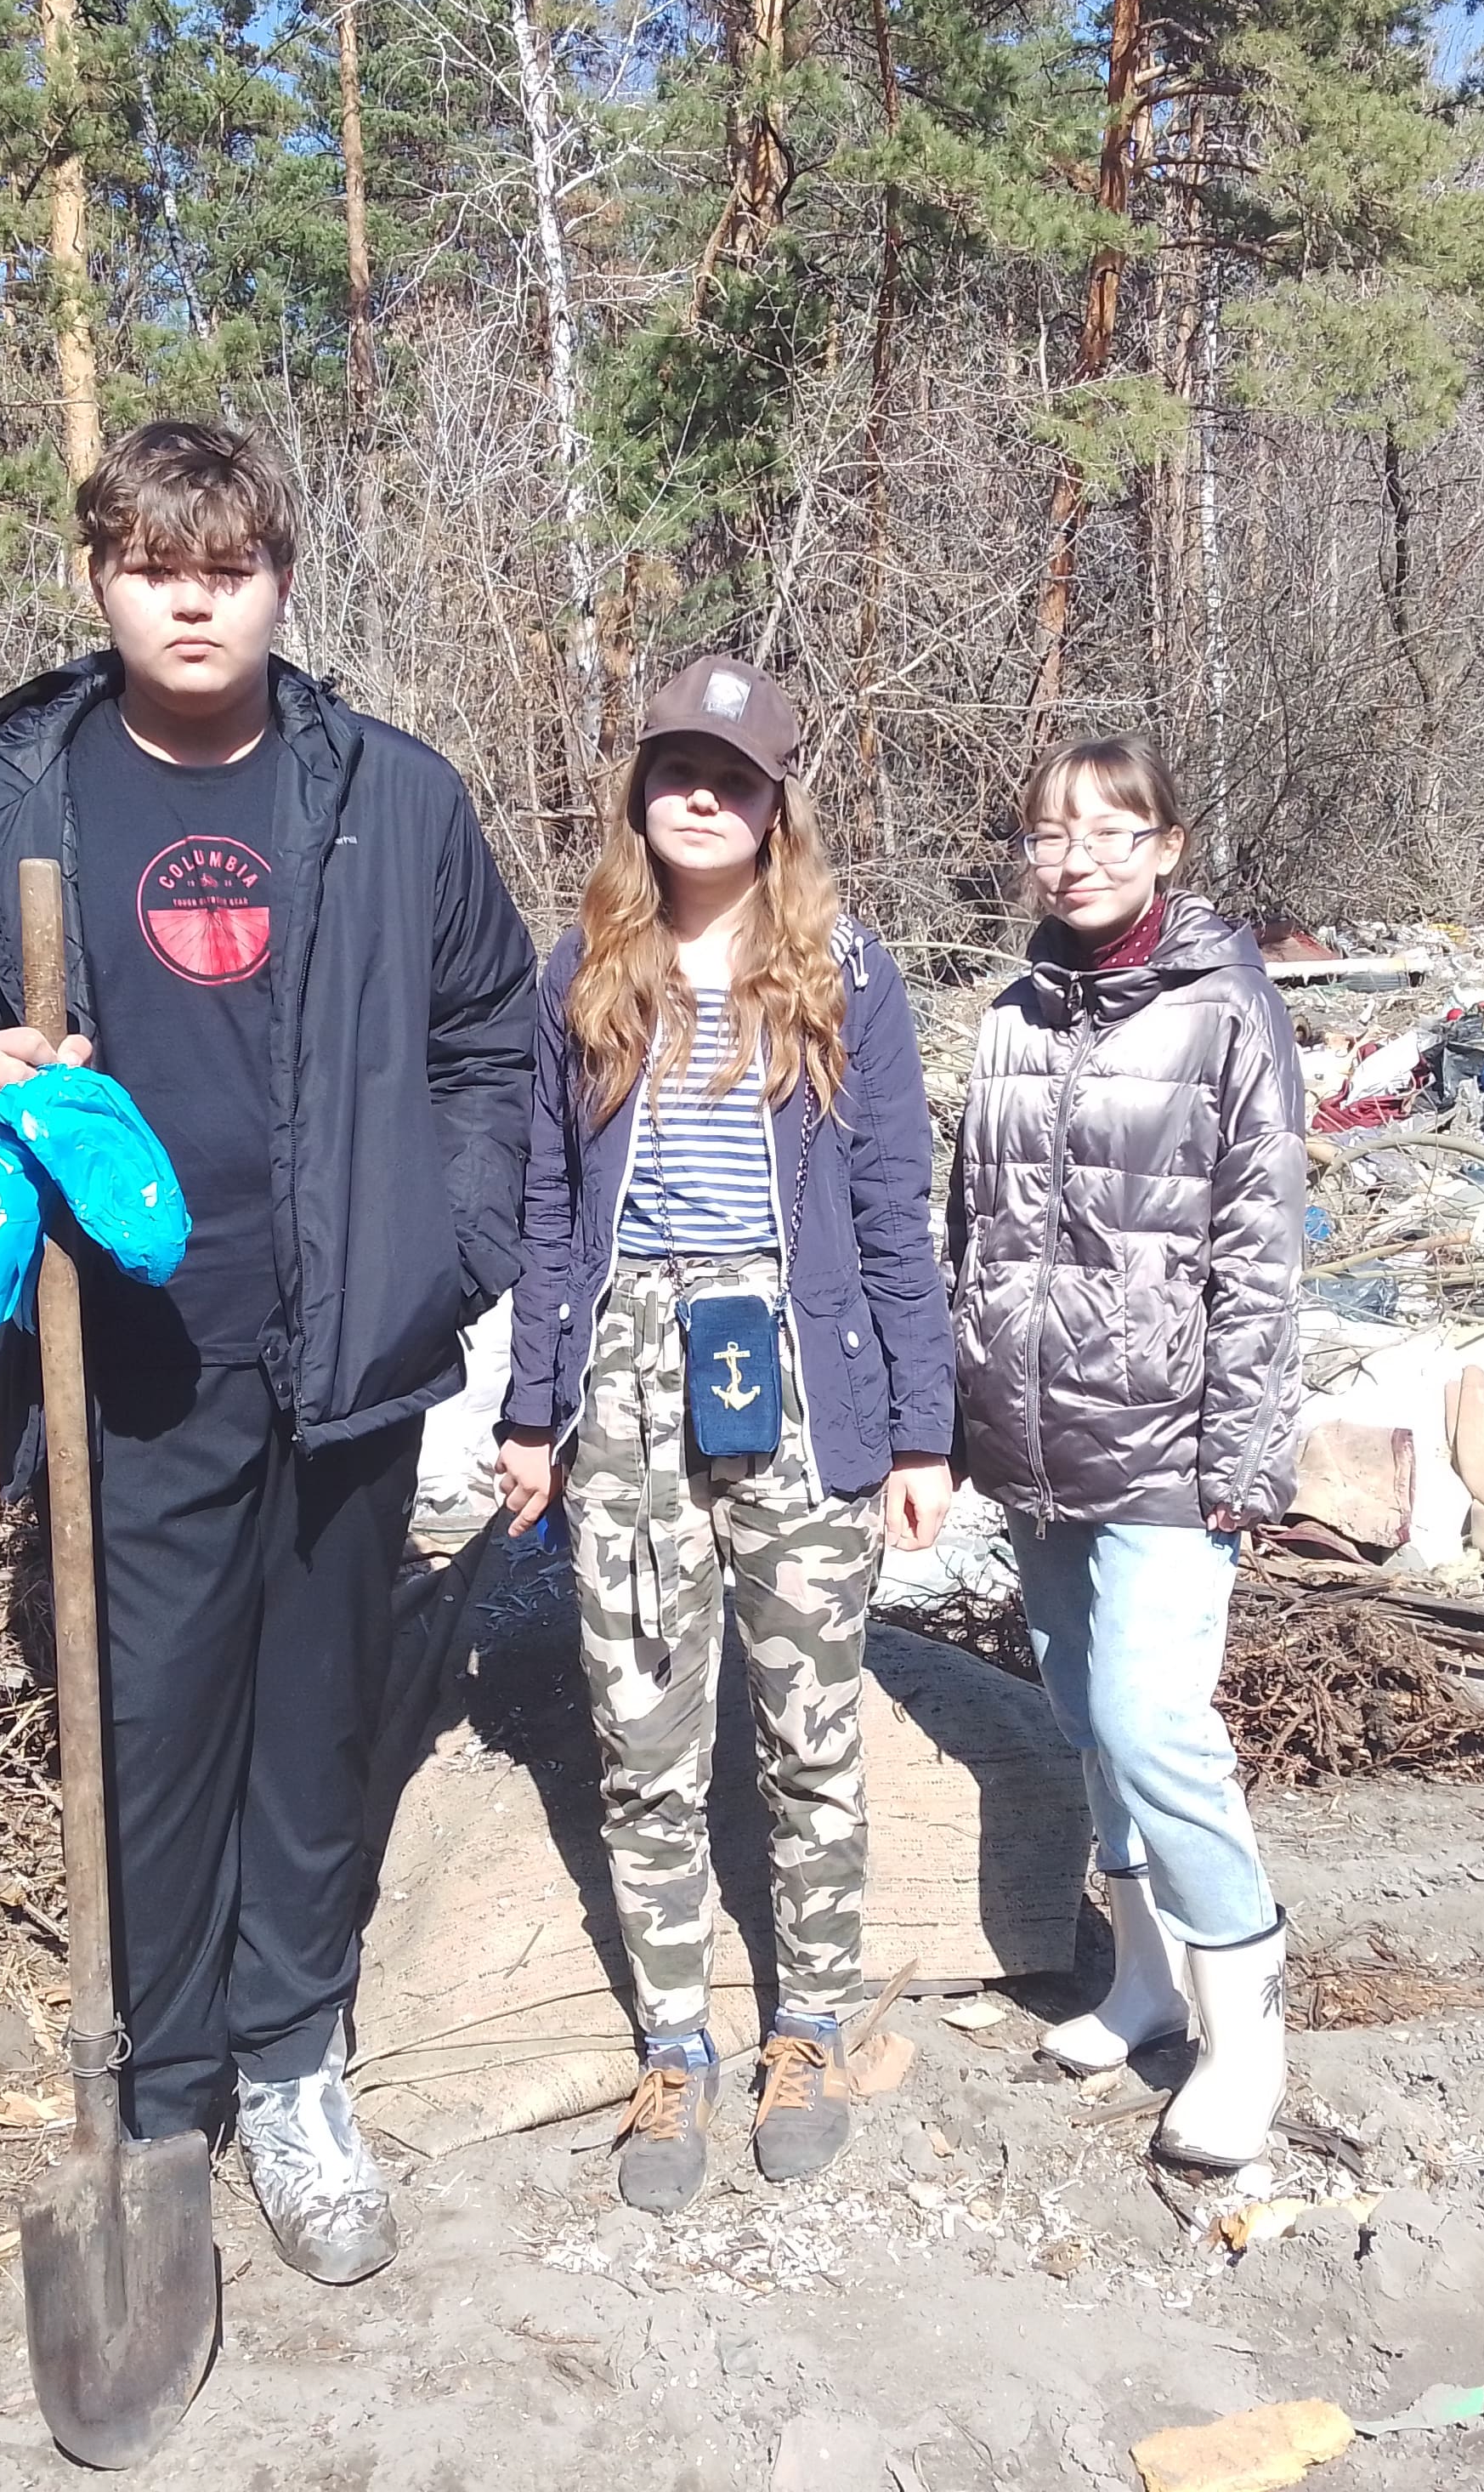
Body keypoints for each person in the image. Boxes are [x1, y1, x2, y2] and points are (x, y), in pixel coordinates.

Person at [0, 419, 535, 2284]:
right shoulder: (6, 796)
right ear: (98, 578)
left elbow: (491, 1040)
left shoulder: (390, 795)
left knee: (316, 1726)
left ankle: (292, 2062)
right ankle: (164, 2095)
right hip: (124, 1359)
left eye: (228, 570)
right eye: (154, 569)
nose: (192, 603)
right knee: (153, 1724)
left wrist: (448, 1257)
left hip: (344, 1343)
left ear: (280, 583)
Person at [493, 656, 955, 2216]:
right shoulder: (586, 970)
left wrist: (919, 1432)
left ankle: (808, 2028)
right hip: (625, 1371)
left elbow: (893, 1211)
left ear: (776, 806)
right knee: (642, 1733)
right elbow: (550, 1209)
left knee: (811, 1726)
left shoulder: (848, 972)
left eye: (735, 777)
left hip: (800, 1365)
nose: (703, 797)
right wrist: (533, 1412)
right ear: (642, 791)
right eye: (679, 770)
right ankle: (675, 2043)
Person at [946, 733, 1306, 2169]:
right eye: (1051, 833)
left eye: (1111, 831)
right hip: (1036, 1434)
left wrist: (1245, 1454)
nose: (1077, 857)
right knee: (1090, 1720)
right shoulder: (1012, 1015)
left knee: (1158, 1723)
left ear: (1166, 847)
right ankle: (1147, 1978)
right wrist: (962, 1410)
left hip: (1169, 1437)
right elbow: (973, 1228)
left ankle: (1246, 2040)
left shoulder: (1226, 1010)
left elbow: (1262, 1251)